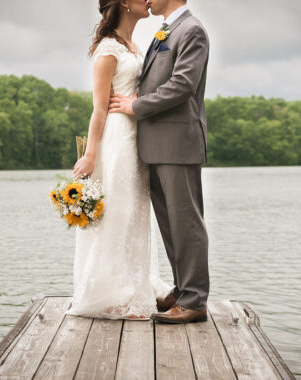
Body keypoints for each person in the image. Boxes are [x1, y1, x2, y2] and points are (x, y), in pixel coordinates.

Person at [65, 0, 173, 320]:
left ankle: (134, 287)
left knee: (135, 214)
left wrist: (140, 101)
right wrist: (90, 155)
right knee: (117, 214)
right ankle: (109, 295)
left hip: (137, 138)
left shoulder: (134, 46)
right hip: (116, 141)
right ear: (125, 2)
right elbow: (99, 108)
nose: (148, 0)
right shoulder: (108, 48)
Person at [108, 0, 210, 323]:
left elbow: (182, 85)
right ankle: (182, 289)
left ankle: (195, 300)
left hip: (178, 143)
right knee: (170, 224)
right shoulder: (164, 30)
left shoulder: (192, 31)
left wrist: (135, 106)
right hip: (155, 146)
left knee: (187, 222)